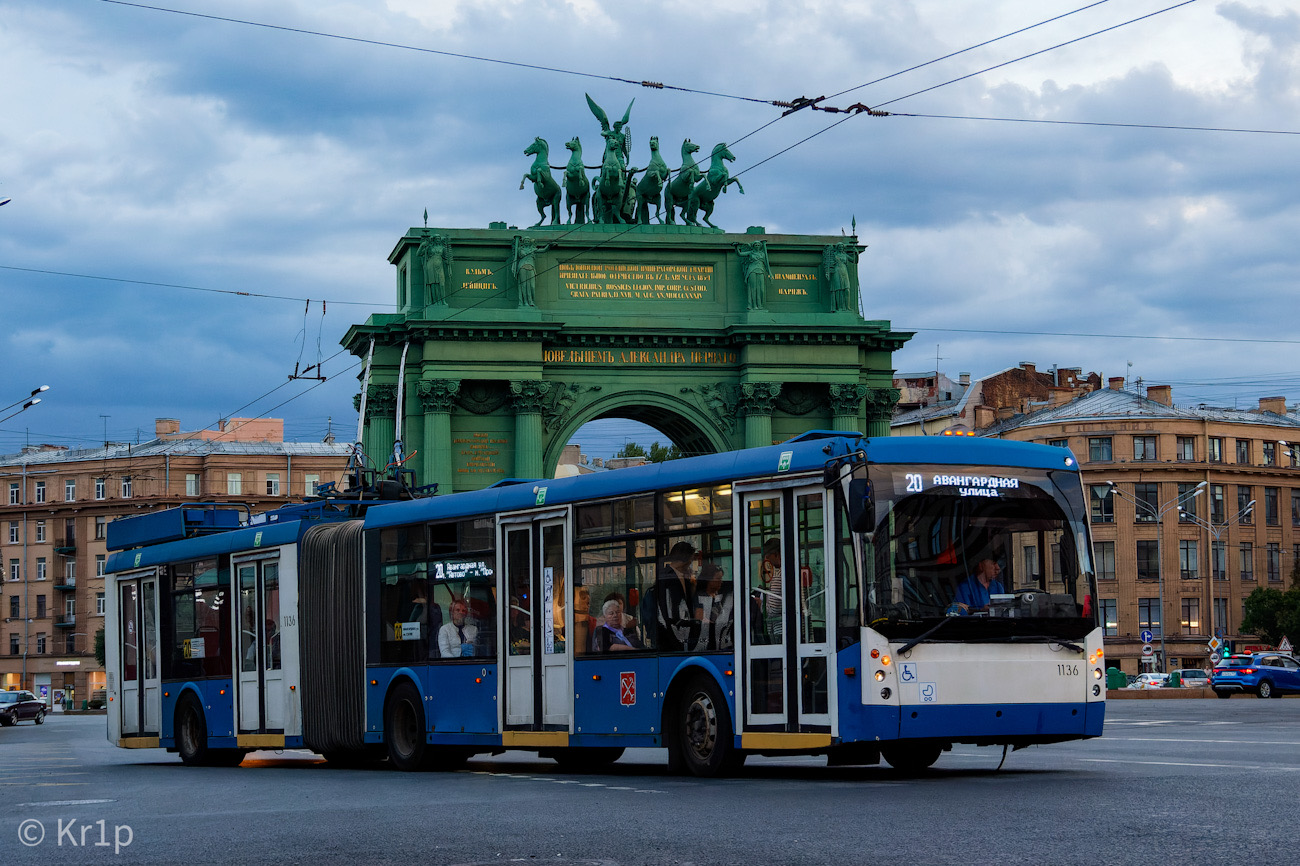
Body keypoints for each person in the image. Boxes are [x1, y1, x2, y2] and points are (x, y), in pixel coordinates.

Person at [656, 541, 700, 652]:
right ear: (685, 558)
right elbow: (668, 607)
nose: (691, 562)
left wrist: (693, 587)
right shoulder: (666, 576)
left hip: (683, 632)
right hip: (671, 633)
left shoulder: (684, 576)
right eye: (691, 558)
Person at [694, 563, 734, 651]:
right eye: (718, 579)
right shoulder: (700, 597)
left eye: (721, 579)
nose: (721, 582)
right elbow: (699, 618)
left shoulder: (722, 597)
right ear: (708, 580)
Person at [752, 537, 783, 642]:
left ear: (776, 554)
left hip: (779, 630)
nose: (766, 558)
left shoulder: (779, 576)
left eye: (768, 555)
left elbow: (772, 611)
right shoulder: (785, 571)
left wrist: (761, 603)